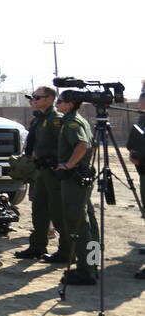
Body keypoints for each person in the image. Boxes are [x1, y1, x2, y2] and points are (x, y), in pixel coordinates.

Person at [14, 87, 66, 261]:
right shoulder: (40, 118)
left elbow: (66, 145)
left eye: (37, 97)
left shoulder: (55, 119)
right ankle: (37, 247)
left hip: (53, 171)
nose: (33, 100)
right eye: (32, 97)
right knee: (39, 209)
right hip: (41, 170)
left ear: (50, 99)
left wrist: (58, 163)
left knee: (58, 211)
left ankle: (66, 250)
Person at [52, 90, 98, 286]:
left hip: (74, 178)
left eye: (60, 101)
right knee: (89, 221)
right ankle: (92, 263)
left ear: (70, 104)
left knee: (78, 221)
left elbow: (82, 145)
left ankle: (86, 271)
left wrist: (69, 165)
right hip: (80, 175)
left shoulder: (72, 122)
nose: (57, 104)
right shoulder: (77, 119)